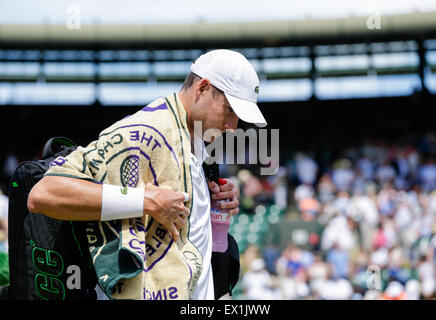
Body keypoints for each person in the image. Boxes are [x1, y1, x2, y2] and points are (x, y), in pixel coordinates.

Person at [27, 49, 267, 300]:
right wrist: (144, 201)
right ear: (203, 88)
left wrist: (210, 204)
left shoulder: (195, 141)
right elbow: (43, 194)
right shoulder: (144, 132)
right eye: (229, 110)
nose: (233, 127)